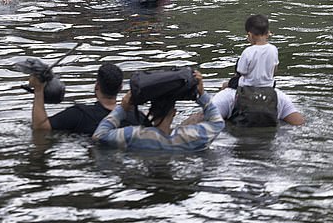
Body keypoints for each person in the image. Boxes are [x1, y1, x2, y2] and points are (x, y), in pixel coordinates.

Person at [93, 70, 225, 153]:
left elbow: (99, 136)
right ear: (174, 112)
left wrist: (122, 108)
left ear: (150, 111)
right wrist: (202, 95)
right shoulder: (191, 137)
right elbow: (217, 123)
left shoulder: (134, 136)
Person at [30, 62, 124, 135]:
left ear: (97, 86)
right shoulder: (135, 117)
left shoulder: (79, 114)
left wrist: (38, 90)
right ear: (121, 88)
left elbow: (40, 127)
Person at [232, 14, 279, 87]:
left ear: (250, 35)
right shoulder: (273, 49)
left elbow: (241, 71)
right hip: (268, 86)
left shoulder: (247, 51)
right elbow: (274, 70)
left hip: (247, 87)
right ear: (268, 33)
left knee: (227, 84)